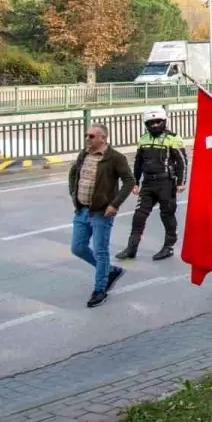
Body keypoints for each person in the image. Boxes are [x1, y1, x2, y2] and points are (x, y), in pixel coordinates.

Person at [69, 124, 134, 308]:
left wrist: (114, 204)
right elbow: (74, 173)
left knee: (100, 250)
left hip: (101, 213)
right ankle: (110, 271)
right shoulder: (84, 154)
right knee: (78, 248)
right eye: (86, 135)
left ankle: (100, 290)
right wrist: (73, 194)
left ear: (103, 139)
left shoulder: (115, 158)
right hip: (82, 210)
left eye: (91, 136)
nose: (87, 139)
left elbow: (129, 181)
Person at [116, 107, 187, 262]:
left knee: (167, 215)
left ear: (164, 121)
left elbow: (182, 161)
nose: (155, 125)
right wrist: (135, 182)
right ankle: (131, 248)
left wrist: (181, 182)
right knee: (139, 216)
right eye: (151, 122)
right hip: (148, 183)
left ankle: (168, 246)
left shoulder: (173, 138)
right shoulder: (143, 139)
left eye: (158, 122)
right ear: (146, 124)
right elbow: (138, 162)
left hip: (166, 183)